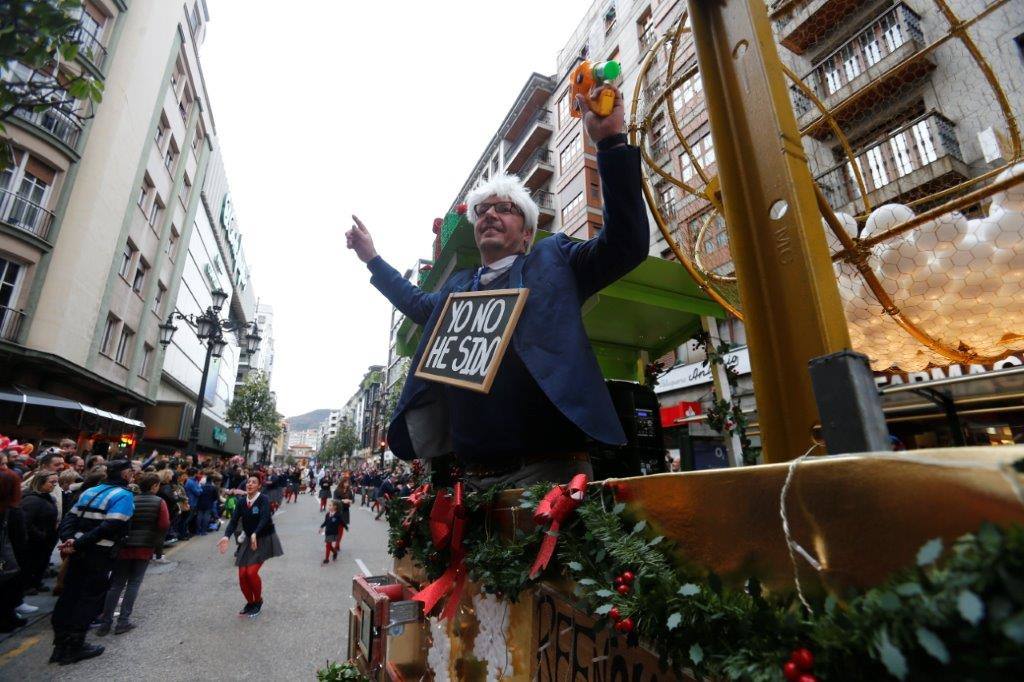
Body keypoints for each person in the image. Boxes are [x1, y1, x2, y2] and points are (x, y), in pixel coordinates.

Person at [345, 86, 647, 490]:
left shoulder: (554, 259)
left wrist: (609, 142)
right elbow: (418, 304)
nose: (489, 215)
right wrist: (372, 259)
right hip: (470, 480)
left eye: (504, 209)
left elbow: (625, 245)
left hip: (548, 472)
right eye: (482, 210)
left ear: (526, 234)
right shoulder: (458, 287)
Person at [49, 459, 135, 665]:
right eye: (131, 472)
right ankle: (74, 646)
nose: (133, 475)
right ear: (124, 475)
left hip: (79, 550)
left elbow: (69, 518)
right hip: (98, 553)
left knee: (70, 594)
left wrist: (70, 541)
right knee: (89, 599)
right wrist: (77, 544)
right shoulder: (123, 495)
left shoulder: (90, 491)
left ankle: (60, 645)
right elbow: (110, 526)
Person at [96, 473, 169, 636]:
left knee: (116, 585)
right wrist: (157, 547)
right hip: (144, 546)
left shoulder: (130, 499)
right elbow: (164, 524)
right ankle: (123, 621)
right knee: (134, 583)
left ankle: (105, 623)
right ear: (153, 486)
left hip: (124, 546)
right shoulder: (159, 502)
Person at [218, 476, 284, 617]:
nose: (250, 484)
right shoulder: (242, 502)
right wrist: (226, 536)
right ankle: (250, 602)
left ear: (259, 486)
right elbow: (234, 520)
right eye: (248, 482)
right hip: (249, 539)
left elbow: (265, 518)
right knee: (242, 575)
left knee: (251, 573)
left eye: (254, 482)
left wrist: (255, 532)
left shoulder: (263, 499)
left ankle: (258, 601)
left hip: (264, 538)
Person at [20, 472, 59, 595]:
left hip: (44, 540)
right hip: (34, 541)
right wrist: (40, 535)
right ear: (40, 482)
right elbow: (26, 522)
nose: (54, 485)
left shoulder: (46, 497)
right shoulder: (31, 499)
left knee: (39, 563)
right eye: (51, 482)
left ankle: (35, 583)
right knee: (30, 564)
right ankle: (27, 587)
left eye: (55, 482)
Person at [319, 500, 344, 564]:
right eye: (329, 505)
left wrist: (344, 527)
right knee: (328, 545)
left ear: (335, 507)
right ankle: (334, 552)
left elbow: (341, 523)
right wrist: (321, 527)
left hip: (333, 532)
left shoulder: (338, 515)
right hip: (328, 531)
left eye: (330, 505)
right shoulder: (327, 514)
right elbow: (325, 522)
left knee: (328, 545)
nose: (328, 506)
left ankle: (327, 559)